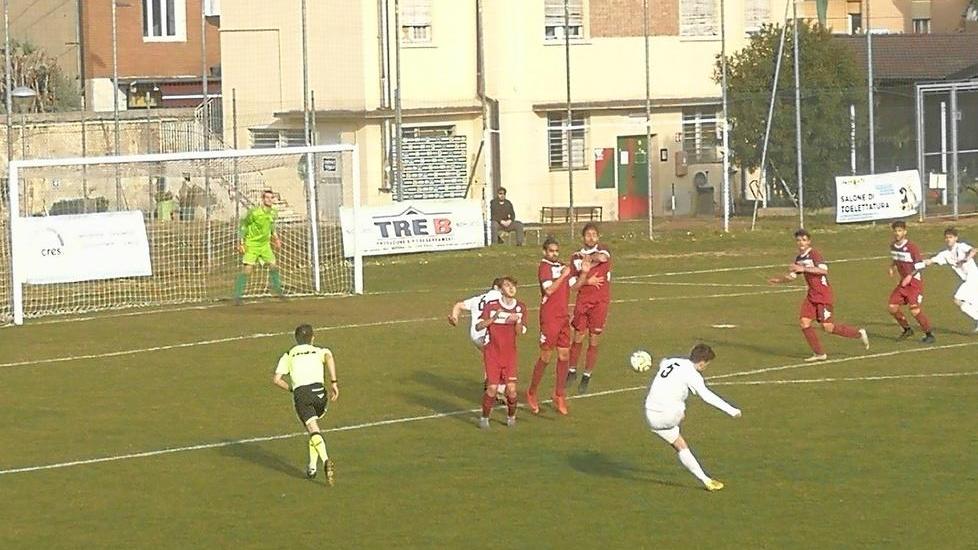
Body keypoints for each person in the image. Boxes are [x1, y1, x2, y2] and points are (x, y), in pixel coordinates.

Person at [643, 344, 740, 492]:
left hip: (650, 415)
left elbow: (663, 362)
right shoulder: (692, 374)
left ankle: (707, 480)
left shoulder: (672, 361)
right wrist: (731, 410)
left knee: (680, 445)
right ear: (702, 362)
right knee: (680, 408)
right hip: (669, 416)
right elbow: (707, 396)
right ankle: (679, 413)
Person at [768, 229, 869, 361]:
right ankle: (819, 354)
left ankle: (858, 333)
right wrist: (779, 280)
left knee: (827, 327)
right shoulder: (799, 258)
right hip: (811, 295)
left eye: (804, 240)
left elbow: (823, 270)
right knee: (804, 323)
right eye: (798, 240)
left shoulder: (814, 254)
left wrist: (803, 269)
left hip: (823, 295)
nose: (801, 243)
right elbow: (793, 276)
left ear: (809, 241)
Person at [272, 324, 339, 485]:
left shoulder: (289, 354)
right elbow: (329, 358)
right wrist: (334, 383)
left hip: (302, 394)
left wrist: (292, 389)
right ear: (313, 338)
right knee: (313, 427)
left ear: (296, 339)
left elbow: (276, 379)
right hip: (321, 395)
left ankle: (325, 460)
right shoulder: (319, 350)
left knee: (313, 429)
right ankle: (312, 467)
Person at [527, 237, 574, 415]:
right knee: (546, 356)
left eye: (556, 250)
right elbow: (549, 290)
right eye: (551, 251)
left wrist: (585, 275)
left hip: (563, 316)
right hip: (550, 317)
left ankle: (559, 394)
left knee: (564, 355)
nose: (554, 254)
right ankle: (532, 392)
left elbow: (573, 285)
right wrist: (563, 275)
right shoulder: (544, 267)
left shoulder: (561, 266)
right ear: (545, 252)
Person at [566, 223, 612, 394]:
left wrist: (587, 261)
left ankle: (586, 375)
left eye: (594, 234)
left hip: (600, 302)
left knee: (594, 338)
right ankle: (571, 370)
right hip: (583, 300)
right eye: (588, 234)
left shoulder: (603, 250)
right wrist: (587, 280)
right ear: (583, 237)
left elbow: (602, 258)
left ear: (598, 237)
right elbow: (573, 285)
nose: (591, 237)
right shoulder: (574, 257)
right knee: (578, 336)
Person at [475, 277, 526, 428]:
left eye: (513, 286)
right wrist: (493, 319)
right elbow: (478, 326)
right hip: (493, 353)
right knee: (492, 388)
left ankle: (511, 417)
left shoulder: (520, 308)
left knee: (511, 390)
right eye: (507, 285)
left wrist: (517, 321)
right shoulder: (492, 306)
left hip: (510, 354)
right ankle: (484, 418)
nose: (511, 288)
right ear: (501, 289)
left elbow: (520, 332)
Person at [448, 278, 506, 400]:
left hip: (475, 335)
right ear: (497, 288)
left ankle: (489, 382)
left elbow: (458, 305)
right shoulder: (499, 298)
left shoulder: (478, 299)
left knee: (490, 356)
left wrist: (454, 317)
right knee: (503, 359)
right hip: (487, 335)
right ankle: (498, 389)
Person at [913, 227, 978, 332]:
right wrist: (917, 264)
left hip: (973, 278)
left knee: (957, 299)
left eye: (951, 237)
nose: (948, 239)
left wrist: (967, 258)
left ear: (956, 238)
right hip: (967, 280)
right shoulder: (945, 254)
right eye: (947, 237)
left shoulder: (961, 247)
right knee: (972, 303)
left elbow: (974, 250)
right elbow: (931, 261)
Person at [233, 190, 284, 305]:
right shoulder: (254, 212)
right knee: (248, 270)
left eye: (272, 197)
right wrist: (241, 243)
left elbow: (272, 227)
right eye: (267, 198)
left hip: (265, 245)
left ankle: (278, 291)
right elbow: (243, 226)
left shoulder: (273, 212)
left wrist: (276, 239)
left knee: (274, 266)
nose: (270, 200)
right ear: (263, 199)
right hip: (252, 244)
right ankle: (237, 296)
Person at [887, 221, 935, 343]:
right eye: (895, 231)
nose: (897, 233)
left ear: (905, 232)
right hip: (903, 283)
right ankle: (907, 329)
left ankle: (929, 334)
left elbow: (919, 265)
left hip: (914, 283)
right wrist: (892, 266)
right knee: (892, 307)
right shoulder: (893, 245)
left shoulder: (912, 247)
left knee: (914, 310)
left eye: (900, 231)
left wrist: (909, 276)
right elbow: (896, 258)